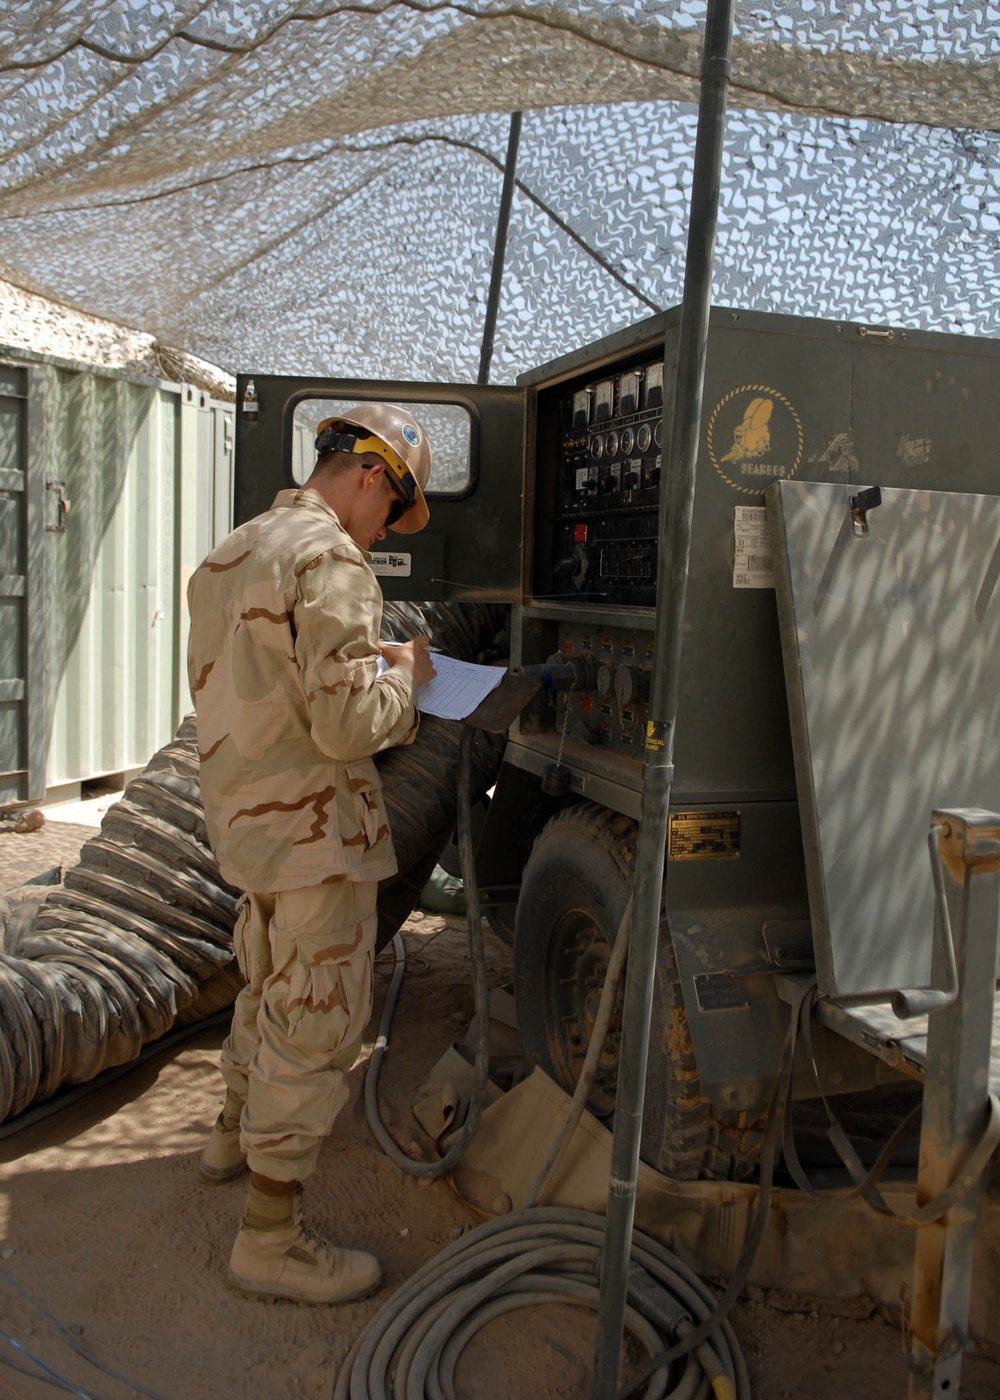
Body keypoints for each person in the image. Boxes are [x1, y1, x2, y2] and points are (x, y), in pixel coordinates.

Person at [186, 402, 436, 1305]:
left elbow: (260, 681)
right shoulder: (333, 560)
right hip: (317, 837)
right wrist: (402, 679)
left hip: (248, 828)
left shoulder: (233, 550)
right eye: (390, 508)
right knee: (316, 1016)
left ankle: (228, 1132)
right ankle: (271, 1237)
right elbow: (344, 726)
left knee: (264, 985)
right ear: (371, 475)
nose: (382, 529)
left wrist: (356, 656)